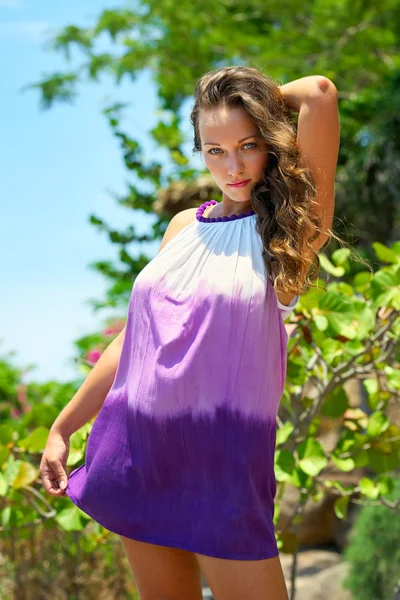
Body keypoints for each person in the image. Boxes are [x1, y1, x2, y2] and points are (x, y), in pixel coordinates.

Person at [40, 66, 340, 600]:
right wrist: (63, 427)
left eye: (249, 144)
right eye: (214, 149)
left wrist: (250, 98)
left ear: (271, 140)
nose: (234, 164)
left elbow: (318, 92)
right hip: (138, 452)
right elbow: (134, 338)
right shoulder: (183, 226)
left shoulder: (288, 237)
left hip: (223, 469)